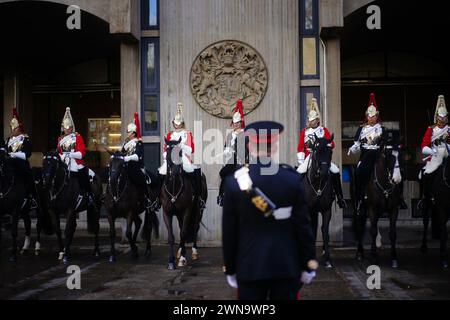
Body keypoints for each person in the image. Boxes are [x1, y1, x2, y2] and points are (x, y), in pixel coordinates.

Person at [222, 121, 318, 300]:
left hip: (249, 267)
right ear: (274, 147)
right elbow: (304, 228)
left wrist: (231, 269)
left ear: (250, 146)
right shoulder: (291, 179)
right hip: (286, 267)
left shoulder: (234, 183)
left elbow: (229, 235)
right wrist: (308, 264)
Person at [297, 98, 346, 209]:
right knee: (299, 172)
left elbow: (332, 144)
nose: (310, 121)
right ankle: (296, 198)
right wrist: (301, 160)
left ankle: (340, 197)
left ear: (317, 120)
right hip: (309, 156)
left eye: (313, 120)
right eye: (309, 119)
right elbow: (300, 147)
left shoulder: (324, 130)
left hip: (322, 156)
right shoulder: (304, 132)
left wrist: (324, 145)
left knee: (335, 170)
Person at [159, 102, 206, 209]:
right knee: (161, 172)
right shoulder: (169, 135)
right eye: (176, 124)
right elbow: (165, 149)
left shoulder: (187, 134)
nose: (177, 125)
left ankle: (199, 198)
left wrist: (181, 146)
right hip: (170, 158)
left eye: (179, 124)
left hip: (184, 157)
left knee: (195, 171)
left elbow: (190, 150)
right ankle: (157, 199)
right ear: (173, 123)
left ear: (182, 123)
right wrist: (166, 156)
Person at [348, 93, 389, 213]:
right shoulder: (362, 129)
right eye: (369, 116)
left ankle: (398, 198)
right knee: (358, 173)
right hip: (365, 155)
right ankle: (359, 198)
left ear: (377, 116)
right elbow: (357, 144)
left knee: (396, 170)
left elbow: (386, 144)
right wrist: (352, 149)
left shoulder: (383, 129)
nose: (371, 118)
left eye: (373, 116)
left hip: (378, 156)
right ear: (366, 116)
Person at [57, 107, 93, 205]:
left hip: (75, 161)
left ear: (72, 127)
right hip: (64, 161)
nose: (67, 129)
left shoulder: (77, 137)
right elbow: (59, 152)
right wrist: (61, 156)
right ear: (62, 127)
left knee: (82, 174)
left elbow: (82, 153)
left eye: (69, 127)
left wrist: (70, 154)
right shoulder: (60, 138)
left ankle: (87, 195)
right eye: (65, 127)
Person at [418, 95, 450, 207]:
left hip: (448, 155)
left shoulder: (449, 129)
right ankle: (425, 197)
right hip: (435, 155)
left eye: (444, 117)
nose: (442, 120)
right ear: (436, 117)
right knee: (425, 174)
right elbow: (423, 146)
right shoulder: (431, 129)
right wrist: (432, 151)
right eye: (440, 118)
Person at [121, 112, 156, 209]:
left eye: (128, 132)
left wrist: (127, 158)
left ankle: (147, 199)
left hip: (136, 167)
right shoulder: (126, 143)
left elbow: (137, 156)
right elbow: (122, 153)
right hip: (126, 167)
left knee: (140, 179)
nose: (127, 134)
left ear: (133, 133)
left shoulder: (138, 143)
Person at [5, 107, 38, 210]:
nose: (12, 130)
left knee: (28, 177)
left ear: (19, 128)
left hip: (21, 164)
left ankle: (33, 198)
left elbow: (26, 154)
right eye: (12, 128)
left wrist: (14, 154)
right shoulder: (7, 140)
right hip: (9, 164)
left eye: (15, 128)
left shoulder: (25, 139)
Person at [217, 99, 248, 207]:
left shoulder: (246, 134)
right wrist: (225, 152)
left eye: (237, 123)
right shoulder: (230, 135)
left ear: (241, 122)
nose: (235, 125)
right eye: (234, 123)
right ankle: (221, 196)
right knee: (223, 173)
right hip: (231, 160)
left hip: (243, 160)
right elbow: (226, 147)